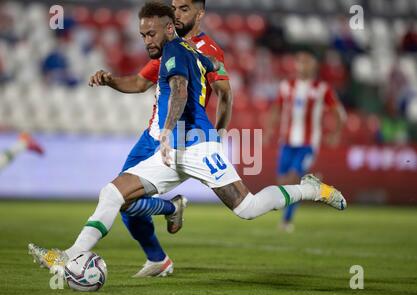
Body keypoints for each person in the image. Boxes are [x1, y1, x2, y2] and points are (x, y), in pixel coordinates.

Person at [28, 2, 346, 276]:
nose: (145, 40)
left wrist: (167, 133)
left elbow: (180, 90)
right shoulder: (186, 49)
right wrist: (207, 67)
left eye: (151, 34)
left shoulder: (175, 51)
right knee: (112, 194)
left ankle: (311, 189)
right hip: (174, 149)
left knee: (248, 208)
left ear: (168, 29)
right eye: (142, 35)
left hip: (193, 144)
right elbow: (205, 68)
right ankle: (70, 256)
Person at [87, 0, 232, 277]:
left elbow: (225, 93)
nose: (177, 13)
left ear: (200, 13)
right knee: (121, 198)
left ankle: (158, 237)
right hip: (151, 134)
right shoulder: (168, 46)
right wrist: (110, 80)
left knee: (120, 196)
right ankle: (158, 255)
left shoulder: (208, 49)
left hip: (180, 135)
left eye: (185, 8)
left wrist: (219, 136)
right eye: (174, 7)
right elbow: (141, 83)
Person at [264, 51, 346, 232]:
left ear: (314, 66)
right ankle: (315, 189)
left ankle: (286, 221)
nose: (303, 66)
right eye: (300, 62)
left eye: (307, 62)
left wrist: (335, 133)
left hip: (308, 144)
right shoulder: (287, 86)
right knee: (282, 181)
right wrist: (269, 130)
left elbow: (338, 112)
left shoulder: (322, 88)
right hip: (287, 142)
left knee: (294, 178)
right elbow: (276, 108)